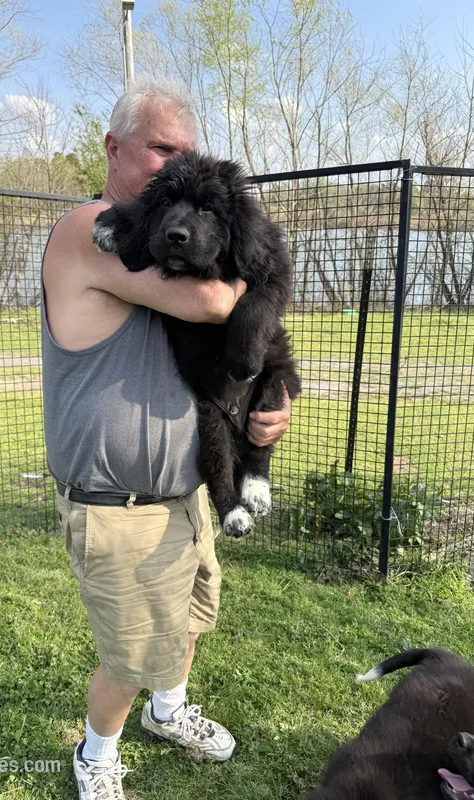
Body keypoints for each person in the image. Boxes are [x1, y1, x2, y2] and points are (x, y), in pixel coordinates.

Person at [40, 76, 292, 799]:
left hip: (184, 493)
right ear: (113, 148)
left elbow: (248, 328)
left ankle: (169, 711)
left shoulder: (158, 242)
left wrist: (269, 409)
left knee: (186, 620)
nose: (170, 165)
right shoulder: (90, 231)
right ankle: (96, 753)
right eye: (158, 149)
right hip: (118, 506)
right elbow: (218, 299)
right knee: (128, 654)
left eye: (184, 152)